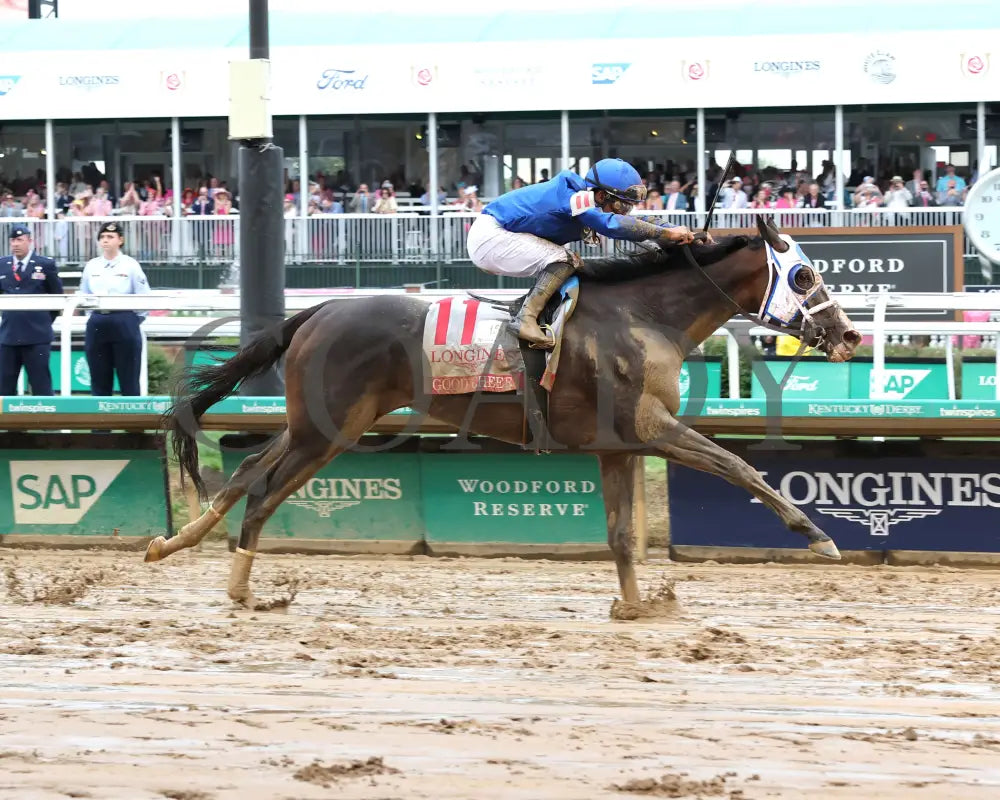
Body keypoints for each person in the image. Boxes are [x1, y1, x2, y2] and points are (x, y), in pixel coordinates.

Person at [466, 158, 697, 348]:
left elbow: (634, 221)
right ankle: (525, 319)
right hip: (490, 237)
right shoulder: (575, 198)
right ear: (601, 195)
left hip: (502, 234)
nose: (625, 212)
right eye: (622, 205)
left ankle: (542, 314)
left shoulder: (586, 196)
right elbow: (611, 225)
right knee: (565, 259)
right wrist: (666, 234)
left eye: (629, 206)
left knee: (569, 262)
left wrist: (679, 231)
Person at [78, 221, 151, 396]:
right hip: (98, 322)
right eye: (102, 237)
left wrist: (131, 320)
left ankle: (132, 415)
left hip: (124, 321)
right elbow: (85, 295)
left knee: (129, 379)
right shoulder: (92, 265)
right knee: (99, 379)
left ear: (120, 240)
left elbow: (144, 297)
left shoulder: (131, 265)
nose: (105, 240)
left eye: (110, 236)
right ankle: (99, 415)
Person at [0, 225, 63, 396]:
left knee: (41, 385)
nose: (15, 244)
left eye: (20, 240)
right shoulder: (2, 264)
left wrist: (41, 322)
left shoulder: (45, 264)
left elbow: (57, 298)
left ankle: (46, 415)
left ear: (30, 241)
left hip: (37, 336)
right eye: (13, 240)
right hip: (8, 336)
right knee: (4, 388)